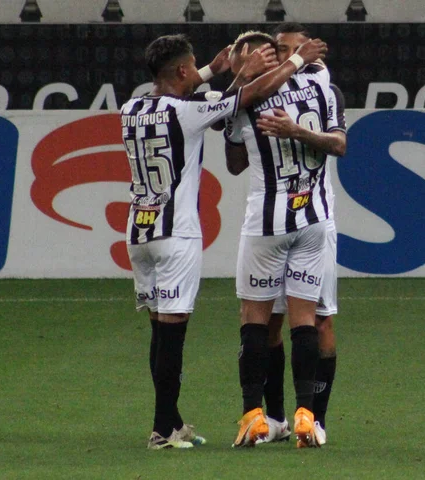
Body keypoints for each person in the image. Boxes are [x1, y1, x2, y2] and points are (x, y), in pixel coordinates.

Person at [120, 33, 327, 450]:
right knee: (172, 336)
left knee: (158, 334)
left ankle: (172, 421)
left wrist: (216, 69)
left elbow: (191, 91)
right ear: (181, 71)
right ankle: (163, 430)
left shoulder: (131, 108)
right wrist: (290, 62)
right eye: (192, 65)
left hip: (138, 231)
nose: (198, 70)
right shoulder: (188, 112)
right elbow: (243, 99)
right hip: (175, 234)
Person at [224, 31, 344, 448]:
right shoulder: (319, 84)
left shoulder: (244, 99)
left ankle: (253, 415)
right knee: (303, 320)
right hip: (311, 219)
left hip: (267, 224)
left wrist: (240, 86)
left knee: (254, 319)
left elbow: (234, 164)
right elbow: (339, 142)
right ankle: (302, 416)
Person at [258, 22, 347, 447]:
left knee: (320, 322)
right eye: (279, 49)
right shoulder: (260, 94)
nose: (284, 56)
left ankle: (316, 418)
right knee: (270, 323)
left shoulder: (326, 91)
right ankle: (274, 418)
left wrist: (297, 131)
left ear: (313, 56)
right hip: (272, 224)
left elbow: (338, 144)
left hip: (316, 221)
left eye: (294, 50)